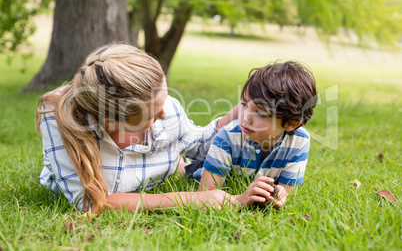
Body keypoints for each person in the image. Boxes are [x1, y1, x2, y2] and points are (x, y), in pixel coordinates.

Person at [36, 42, 238, 214]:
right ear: (111, 122)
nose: (164, 114)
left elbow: (201, 144)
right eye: (152, 115)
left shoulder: (167, 109)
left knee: (182, 160)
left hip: (158, 169)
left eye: (164, 99)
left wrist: (242, 110)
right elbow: (89, 201)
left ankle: (179, 166)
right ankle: (179, 166)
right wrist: (188, 199)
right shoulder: (60, 117)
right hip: (129, 177)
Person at [195, 61, 317, 209]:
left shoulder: (299, 141)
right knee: (190, 169)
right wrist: (241, 199)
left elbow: (286, 192)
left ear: (291, 123)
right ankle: (181, 163)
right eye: (244, 105)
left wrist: (278, 194)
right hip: (205, 166)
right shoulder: (227, 136)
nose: (246, 118)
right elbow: (206, 196)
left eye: (260, 113)